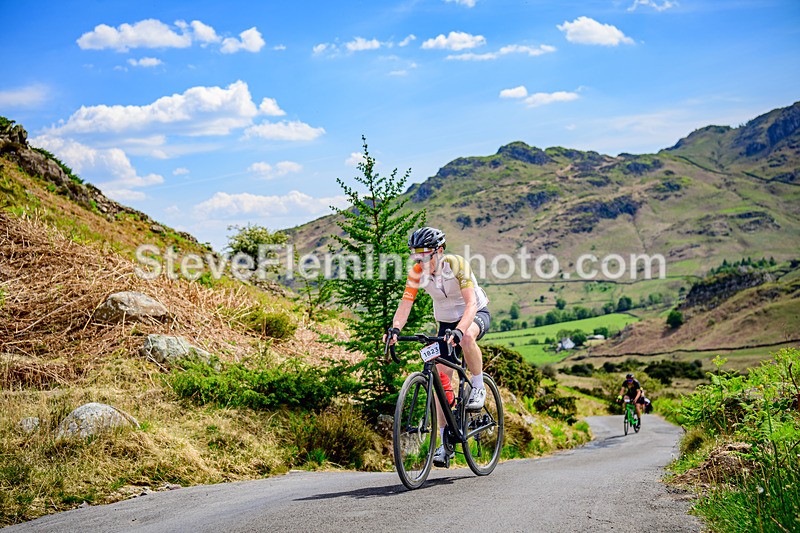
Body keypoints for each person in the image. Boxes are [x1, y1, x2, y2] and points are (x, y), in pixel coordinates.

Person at [385, 226, 491, 467]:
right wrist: (395, 329)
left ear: (439, 251)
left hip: (474, 313)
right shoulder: (416, 273)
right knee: (440, 383)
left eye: (424, 255)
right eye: (415, 256)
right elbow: (405, 305)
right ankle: (444, 443)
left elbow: (471, 303)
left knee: (466, 339)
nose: (419, 261)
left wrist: (461, 329)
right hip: (445, 322)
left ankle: (478, 385)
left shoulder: (455, 264)